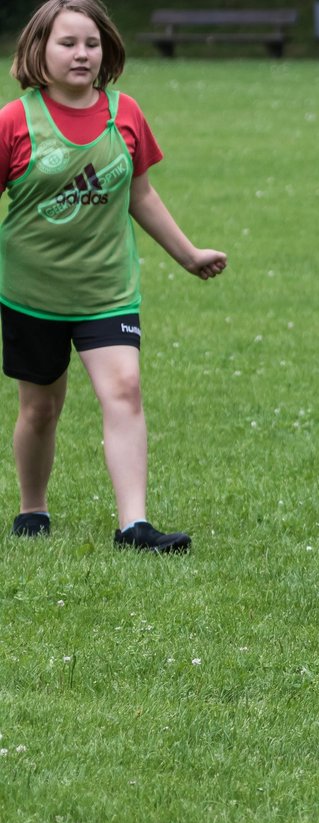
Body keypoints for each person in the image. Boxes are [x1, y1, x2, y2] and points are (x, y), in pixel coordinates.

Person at [1, 0, 227, 553]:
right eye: (68, 43)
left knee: (124, 390)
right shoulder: (14, 120)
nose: (82, 54)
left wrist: (188, 254)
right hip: (32, 295)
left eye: (92, 43)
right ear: (39, 50)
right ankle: (33, 508)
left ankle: (134, 526)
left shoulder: (124, 113)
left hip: (107, 291)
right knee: (40, 407)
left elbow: (141, 195)